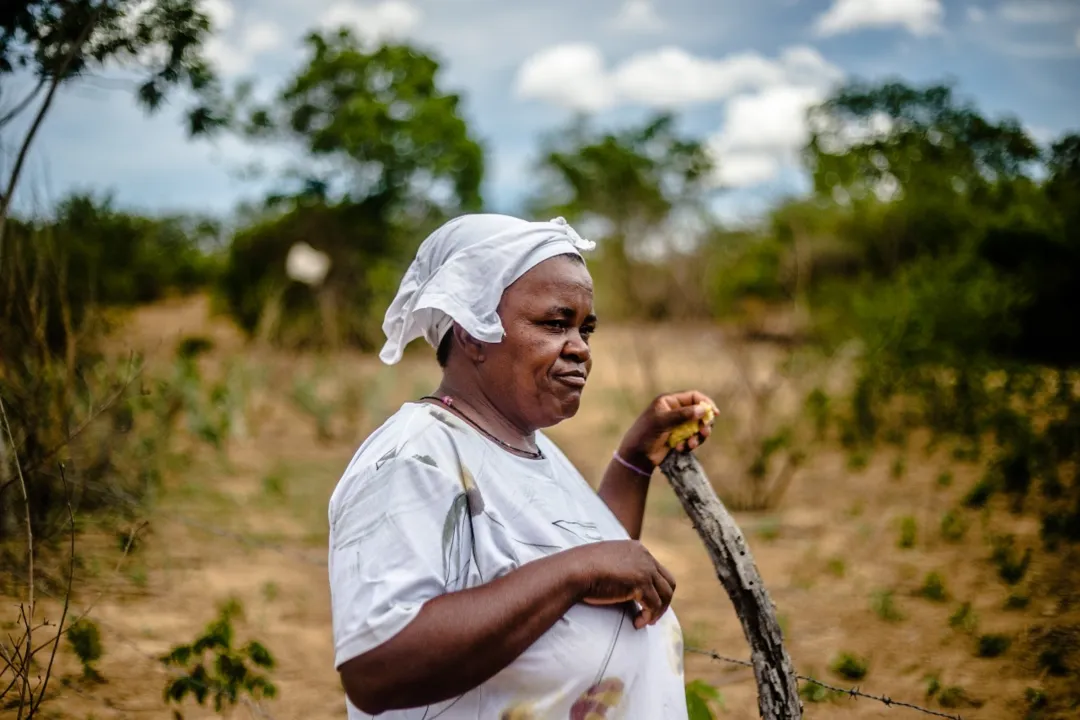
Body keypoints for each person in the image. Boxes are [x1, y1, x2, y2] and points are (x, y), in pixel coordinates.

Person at [327, 213, 716, 719]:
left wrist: (635, 461)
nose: (580, 348)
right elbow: (374, 670)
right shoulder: (414, 460)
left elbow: (592, 567)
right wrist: (576, 572)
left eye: (585, 328)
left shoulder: (529, 449)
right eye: (555, 324)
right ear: (471, 331)